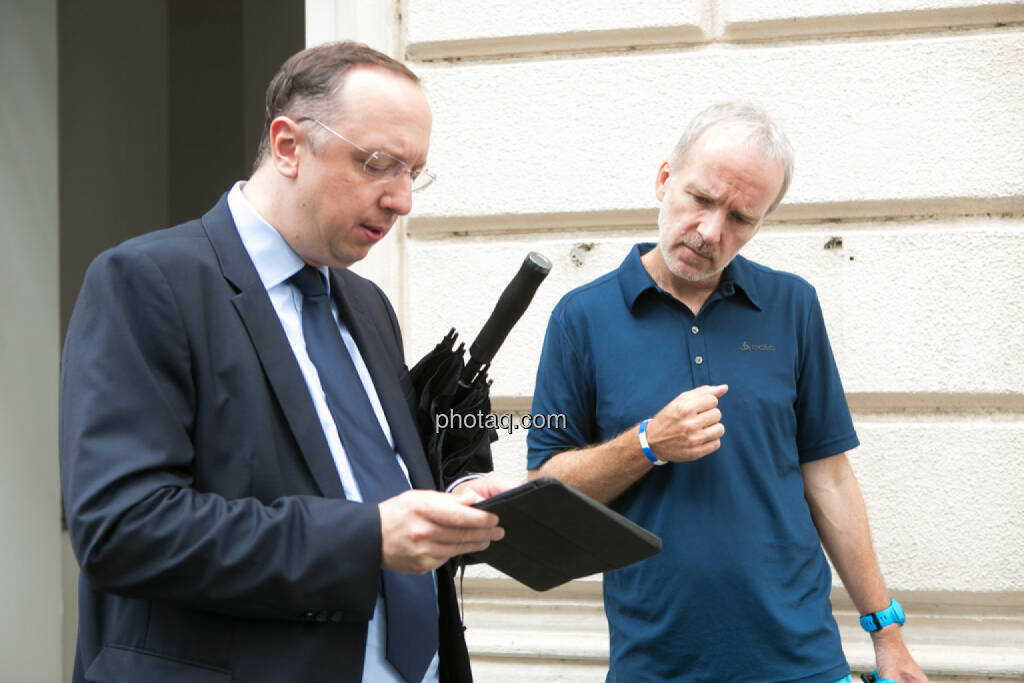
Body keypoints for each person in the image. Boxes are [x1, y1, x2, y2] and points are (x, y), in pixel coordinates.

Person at [60, 41, 513, 683]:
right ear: (288, 146)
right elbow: (124, 528)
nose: (402, 199)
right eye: (379, 164)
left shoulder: (367, 305)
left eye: (414, 172)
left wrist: (457, 498)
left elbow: (365, 481)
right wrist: (364, 540)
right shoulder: (147, 282)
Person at [526, 102, 928, 683]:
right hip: (656, 663)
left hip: (801, 662)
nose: (712, 232)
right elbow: (546, 486)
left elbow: (830, 478)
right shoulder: (581, 317)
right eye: (702, 199)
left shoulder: (791, 305)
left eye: (741, 217)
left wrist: (886, 634)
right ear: (665, 179)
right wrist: (645, 444)